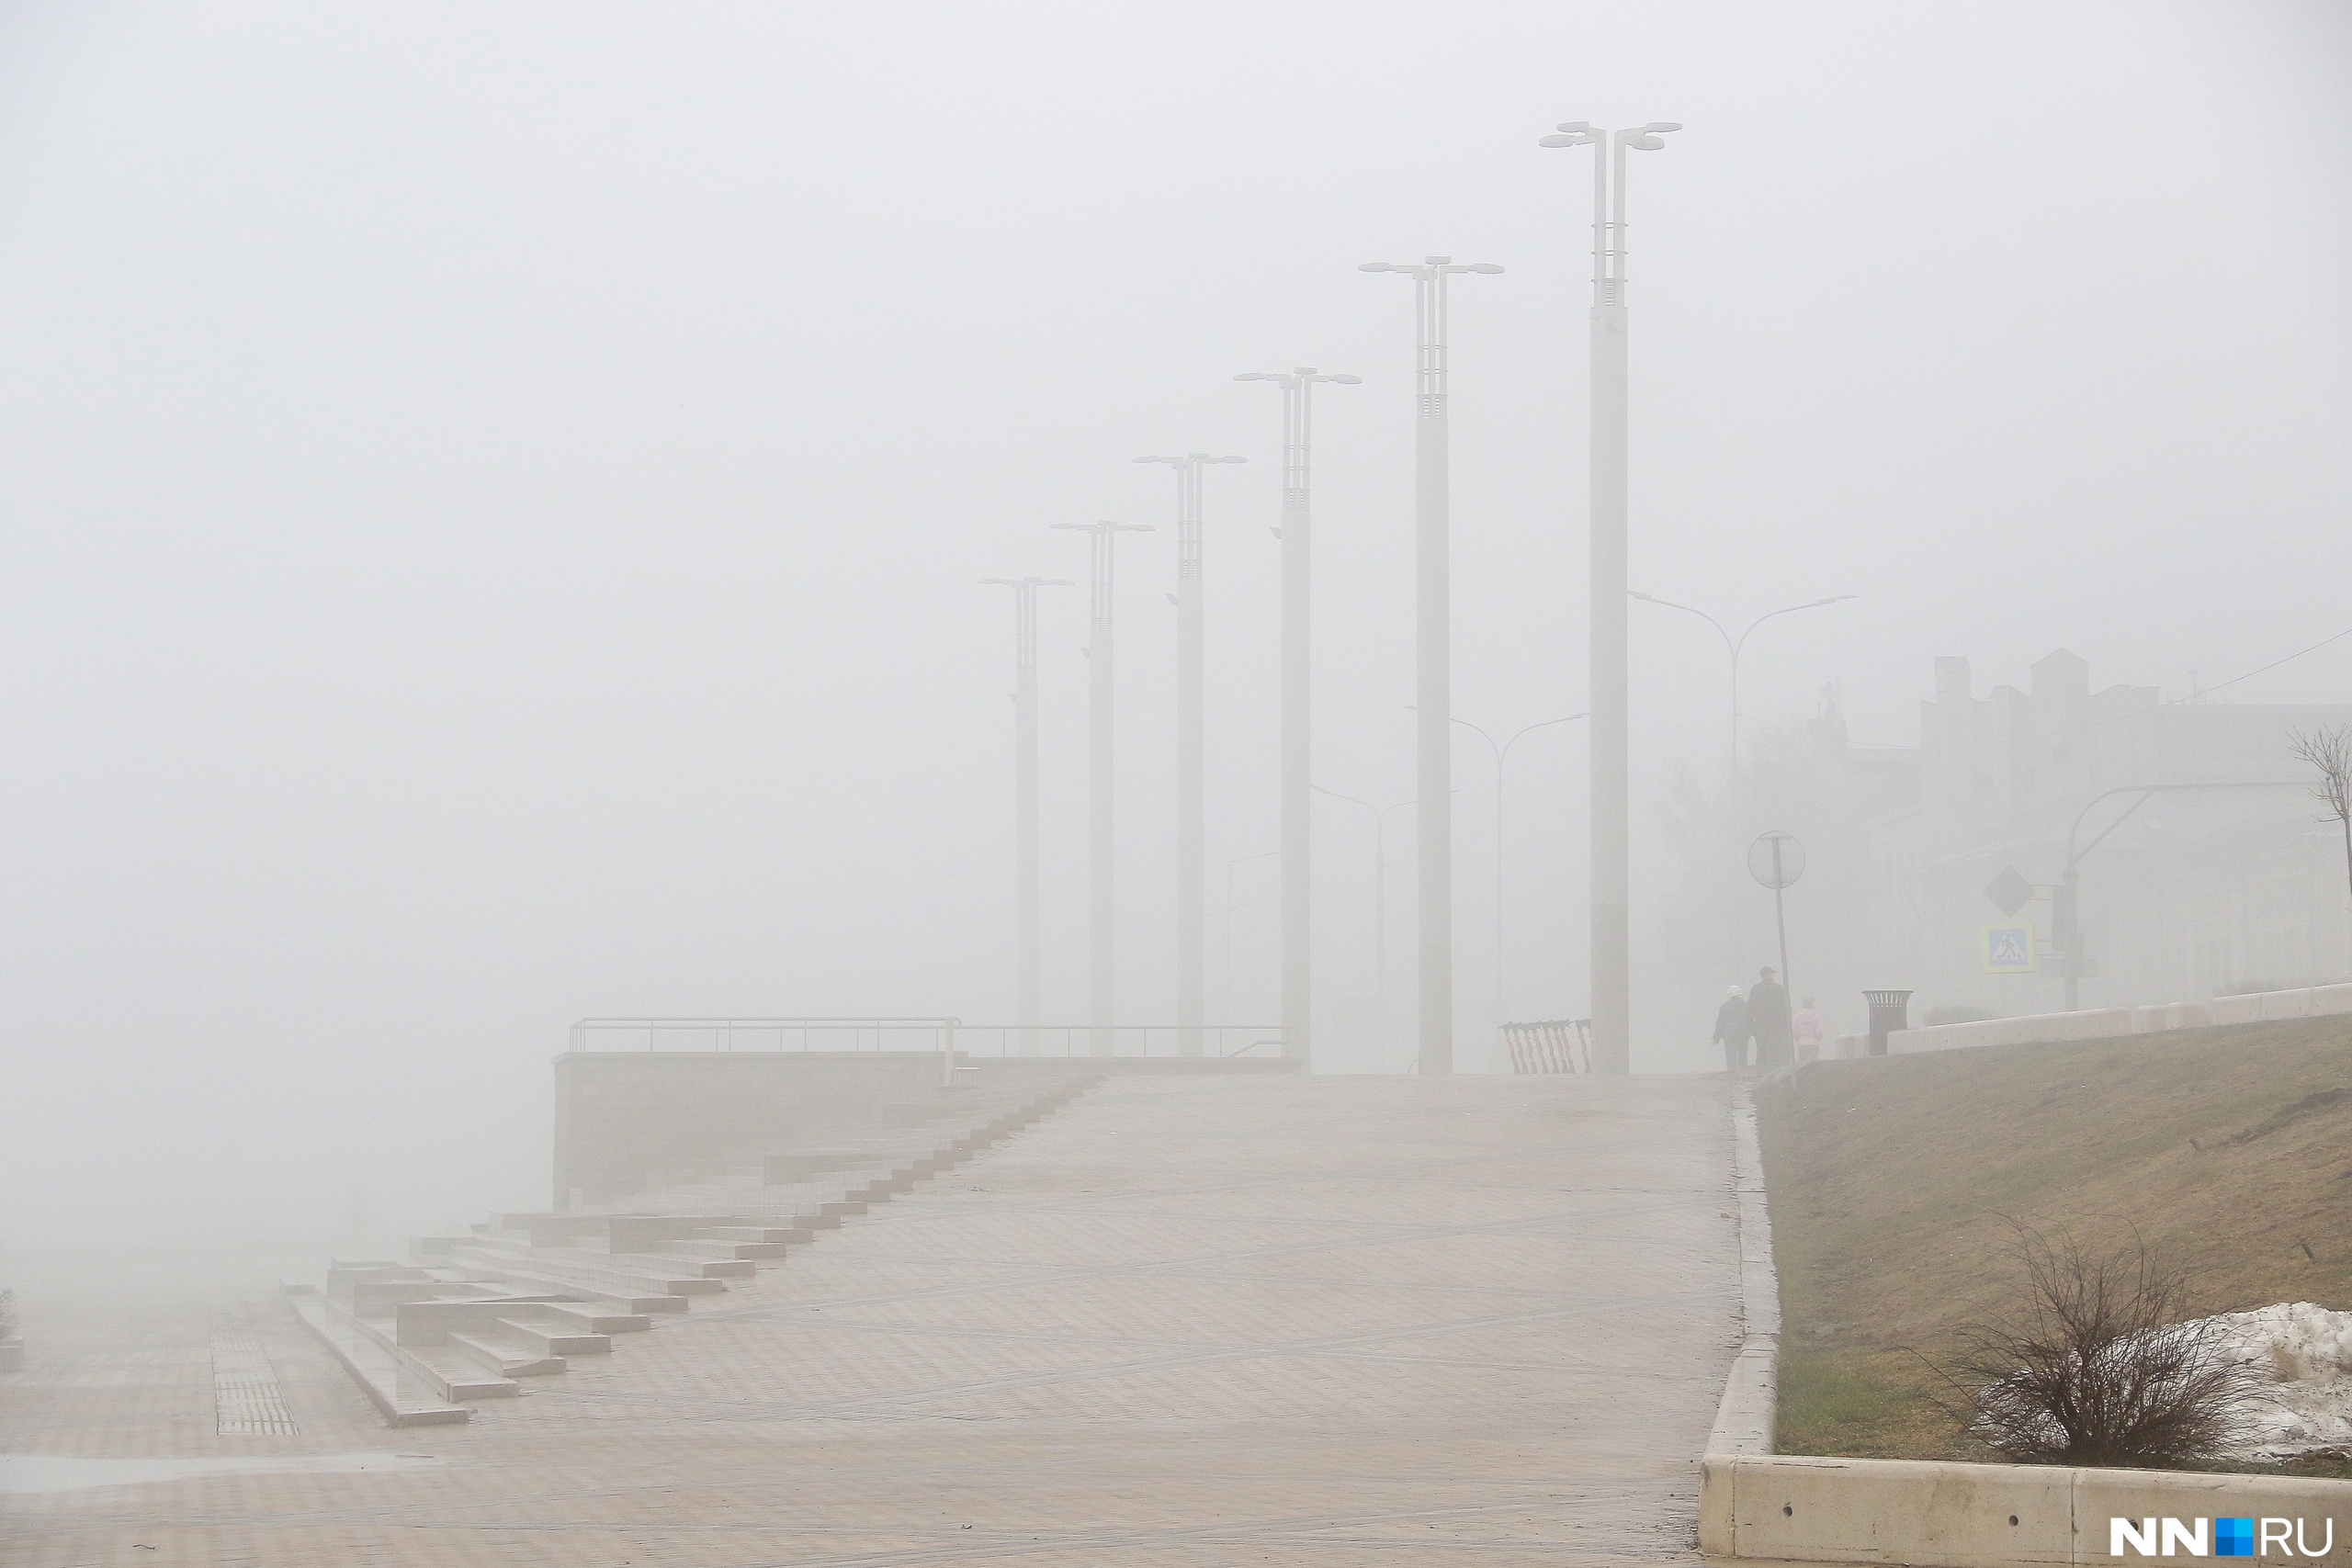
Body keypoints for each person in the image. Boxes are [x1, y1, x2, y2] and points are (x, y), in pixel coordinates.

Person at [1748, 966, 1793, 1070]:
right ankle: (1775, 1072)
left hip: (1760, 1025)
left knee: (1761, 1049)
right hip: (1777, 1025)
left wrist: (1751, 1027)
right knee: (1775, 1049)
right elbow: (1787, 1008)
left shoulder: (1755, 989)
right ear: (1769, 975)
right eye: (1773, 974)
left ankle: (1760, 1072)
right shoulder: (1779, 989)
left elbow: (1750, 1009)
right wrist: (1787, 1024)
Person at [1712, 985, 1751, 1077]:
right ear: (1740, 994)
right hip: (1743, 1035)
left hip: (1729, 1035)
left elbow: (1720, 1023)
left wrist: (1716, 1037)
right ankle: (1742, 1073)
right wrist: (1750, 1032)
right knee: (1743, 1055)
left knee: (1730, 1055)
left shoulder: (1724, 1007)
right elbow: (1750, 1020)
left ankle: (1732, 1073)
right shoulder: (1746, 1006)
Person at [1792, 995, 1824, 1066]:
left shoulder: (1797, 1015)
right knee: (1814, 1065)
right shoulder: (1816, 1015)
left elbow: (1794, 1029)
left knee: (1802, 1064)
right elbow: (1820, 1030)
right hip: (1814, 1042)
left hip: (1802, 1043)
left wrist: (1797, 1037)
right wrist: (1818, 1037)